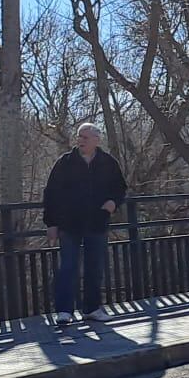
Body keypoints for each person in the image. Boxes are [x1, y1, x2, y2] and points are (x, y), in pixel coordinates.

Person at [42, 122, 128, 326]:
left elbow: (120, 188)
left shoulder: (108, 162)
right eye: (79, 137)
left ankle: (91, 308)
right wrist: (51, 223)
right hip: (69, 223)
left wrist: (113, 203)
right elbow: (51, 193)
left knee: (94, 267)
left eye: (85, 137)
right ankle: (64, 311)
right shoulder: (65, 162)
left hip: (96, 222)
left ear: (97, 140)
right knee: (68, 267)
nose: (80, 140)